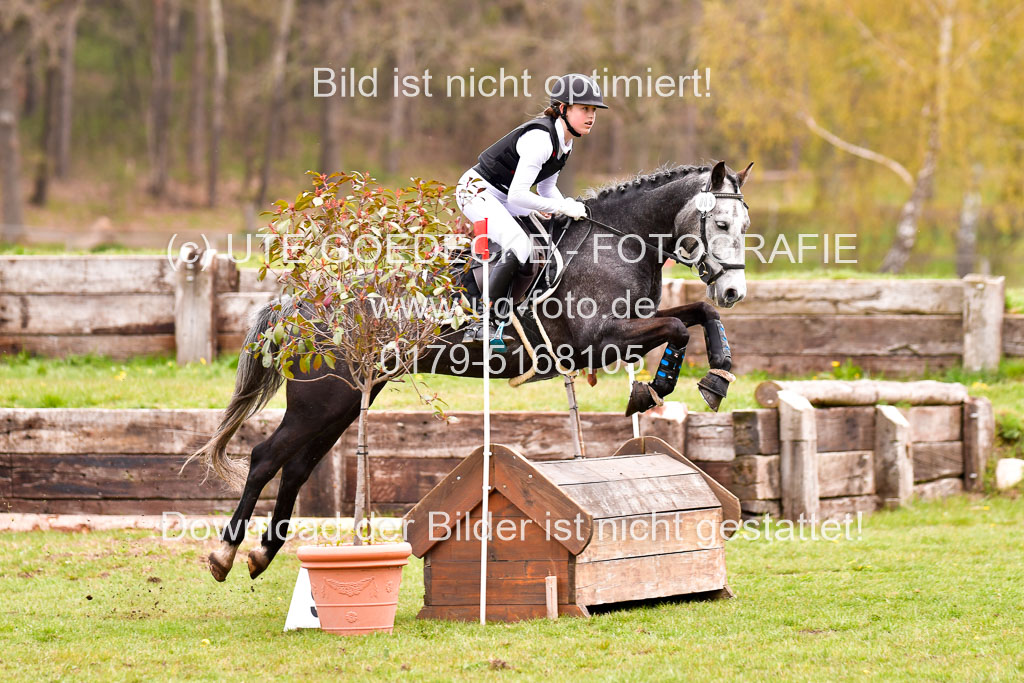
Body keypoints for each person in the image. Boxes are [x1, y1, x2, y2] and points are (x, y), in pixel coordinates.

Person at [455, 73, 607, 345]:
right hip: (476, 191)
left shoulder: (565, 143)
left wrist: (569, 209)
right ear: (563, 108)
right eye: (584, 108)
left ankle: (520, 306)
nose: (591, 115)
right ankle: (482, 321)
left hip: (503, 194)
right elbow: (520, 194)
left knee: (547, 238)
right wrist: (562, 206)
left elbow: (546, 190)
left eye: (594, 110)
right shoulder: (541, 139)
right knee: (520, 247)